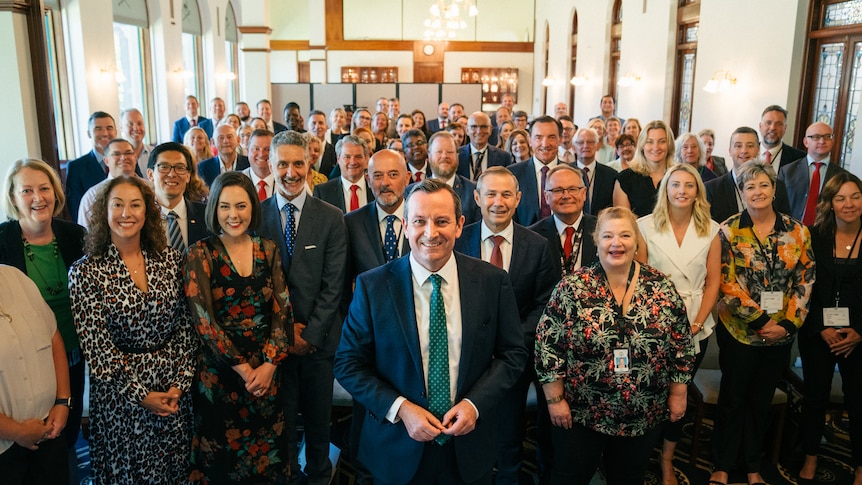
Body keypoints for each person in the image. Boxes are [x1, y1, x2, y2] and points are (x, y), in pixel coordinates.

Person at [334, 178, 528, 484]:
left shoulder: (492, 281)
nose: (430, 232)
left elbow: (513, 354)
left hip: (468, 445)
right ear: (406, 225)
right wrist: (401, 409)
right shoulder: (374, 286)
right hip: (396, 445)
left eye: (441, 221)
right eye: (420, 221)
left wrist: (474, 404)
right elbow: (347, 364)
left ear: (460, 225)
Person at [535, 206, 694, 484]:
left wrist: (678, 393)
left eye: (625, 235)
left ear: (636, 241)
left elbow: (681, 343)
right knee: (568, 477)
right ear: (597, 241)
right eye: (608, 236)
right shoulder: (572, 287)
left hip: (643, 412)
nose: (616, 243)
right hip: (582, 412)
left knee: (629, 478)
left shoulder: (661, 287)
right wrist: (555, 399)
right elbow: (548, 347)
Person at [69, 176, 196, 483]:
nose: (126, 213)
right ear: (103, 212)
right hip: (121, 398)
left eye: (135, 204)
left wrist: (179, 384)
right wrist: (142, 396)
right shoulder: (85, 271)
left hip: (172, 391)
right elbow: (97, 349)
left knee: (174, 471)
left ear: (147, 213)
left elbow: (186, 328)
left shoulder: (171, 260)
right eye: (117, 204)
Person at [708, 161, 815, 485]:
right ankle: (722, 465)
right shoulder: (727, 230)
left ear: (774, 189)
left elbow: (805, 280)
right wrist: (761, 320)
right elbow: (725, 281)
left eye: (763, 185)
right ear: (741, 192)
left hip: (781, 335)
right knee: (733, 399)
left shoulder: (797, 231)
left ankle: (753, 466)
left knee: (760, 401)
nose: (757, 192)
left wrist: (787, 324)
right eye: (750, 186)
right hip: (739, 332)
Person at [184, 172, 293, 483]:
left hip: (267, 375)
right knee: (222, 468)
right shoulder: (199, 253)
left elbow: (282, 311)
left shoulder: (268, 249)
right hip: (221, 377)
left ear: (253, 208)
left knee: (267, 464)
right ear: (214, 210)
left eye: (241, 206)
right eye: (225, 206)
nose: (234, 215)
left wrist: (269, 365)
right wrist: (246, 371)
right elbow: (204, 323)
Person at [454, 167, 555, 485]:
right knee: (465, 434)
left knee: (510, 435)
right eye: (491, 194)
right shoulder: (458, 240)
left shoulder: (537, 245)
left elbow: (544, 304)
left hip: (514, 360)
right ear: (476, 197)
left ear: (519, 198)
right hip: (465, 358)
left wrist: (511, 340)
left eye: (506, 194)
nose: (498, 202)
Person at [257, 131, 347, 485]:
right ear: (270, 165)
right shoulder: (256, 216)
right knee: (279, 422)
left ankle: (319, 476)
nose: (290, 172)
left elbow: (334, 286)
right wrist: (283, 334)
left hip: (319, 342)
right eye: (283, 164)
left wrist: (308, 334)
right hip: (271, 345)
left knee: (317, 422)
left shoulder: (331, 216)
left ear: (310, 164)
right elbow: (256, 286)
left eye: (298, 163)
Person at [636, 163, 721, 485]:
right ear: (665, 190)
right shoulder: (645, 226)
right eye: (676, 185)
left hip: (696, 324)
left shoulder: (712, 230)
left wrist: (697, 324)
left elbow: (714, 281)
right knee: (650, 394)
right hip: (655, 325)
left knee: (678, 395)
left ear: (698, 190)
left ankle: (668, 457)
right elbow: (640, 278)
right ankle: (641, 451)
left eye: (689, 185)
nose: (682, 191)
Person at [0, 159, 82, 478]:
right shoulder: (3, 243)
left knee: (65, 430)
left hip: (71, 352)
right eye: (27, 190)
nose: (38, 197)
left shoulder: (76, 235)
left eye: (45, 188)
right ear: (13, 197)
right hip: (17, 360)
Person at [798, 172, 862, 483]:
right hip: (818, 333)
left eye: (855, 196)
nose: (849, 204)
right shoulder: (814, 236)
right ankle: (810, 456)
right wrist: (821, 326)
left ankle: (861, 464)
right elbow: (803, 287)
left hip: (858, 337)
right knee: (815, 397)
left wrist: (859, 331)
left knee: (859, 399)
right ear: (830, 203)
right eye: (841, 198)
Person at [0, 265, 71, 484]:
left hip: (49, 431)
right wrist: (16, 431)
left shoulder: (16, 277)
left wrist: (63, 401)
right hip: (5, 449)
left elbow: (53, 336)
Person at [778, 122, 849, 225]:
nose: (822, 141)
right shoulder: (787, 171)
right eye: (816, 137)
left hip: (826, 233)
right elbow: (778, 205)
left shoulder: (842, 176)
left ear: (833, 141)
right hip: (791, 231)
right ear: (806, 142)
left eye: (827, 137)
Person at [147, 143, 210, 249]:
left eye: (180, 168)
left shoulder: (206, 215)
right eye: (164, 167)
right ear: (150, 174)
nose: (172, 174)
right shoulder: (142, 217)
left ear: (188, 176)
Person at [613, 120, 676, 217]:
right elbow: (624, 222)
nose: (656, 147)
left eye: (662, 141)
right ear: (642, 145)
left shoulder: (678, 176)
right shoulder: (625, 179)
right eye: (649, 142)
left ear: (669, 144)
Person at [66, 111, 117, 222]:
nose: (104, 133)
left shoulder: (126, 161)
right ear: (89, 133)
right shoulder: (76, 167)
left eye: (109, 128)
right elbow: (76, 208)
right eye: (98, 129)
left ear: (116, 132)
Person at [759, 105, 806, 173]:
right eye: (768, 123)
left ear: (785, 128)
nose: (773, 128)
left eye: (779, 124)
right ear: (760, 126)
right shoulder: (746, 153)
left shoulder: (800, 158)